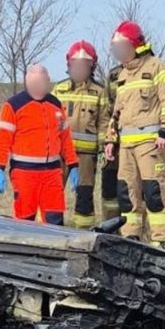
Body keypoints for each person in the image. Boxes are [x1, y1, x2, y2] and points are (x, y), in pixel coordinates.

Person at [103, 20, 165, 245]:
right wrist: (110, 140)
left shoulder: (157, 67)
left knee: (153, 191)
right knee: (127, 194)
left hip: (150, 143)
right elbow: (116, 112)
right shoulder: (122, 75)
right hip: (125, 145)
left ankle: (160, 239)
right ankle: (131, 236)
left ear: (135, 45)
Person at [0, 64, 77, 225]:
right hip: (24, 173)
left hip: (52, 173)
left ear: (48, 81)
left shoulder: (56, 105)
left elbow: (65, 137)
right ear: (26, 82)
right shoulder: (13, 106)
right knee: (25, 221)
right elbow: (2, 140)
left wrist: (73, 164)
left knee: (55, 220)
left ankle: (54, 249)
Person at [52, 40, 114, 228]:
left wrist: (104, 148)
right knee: (53, 193)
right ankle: (51, 231)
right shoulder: (58, 90)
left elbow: (104, 122)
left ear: (92, 66)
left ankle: (83, 232)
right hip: (60, 153)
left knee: (85, 194)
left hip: (86, 157)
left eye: (84, 65)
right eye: (75, 64)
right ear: (69, 65)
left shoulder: (99, 91)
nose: (79, 69)